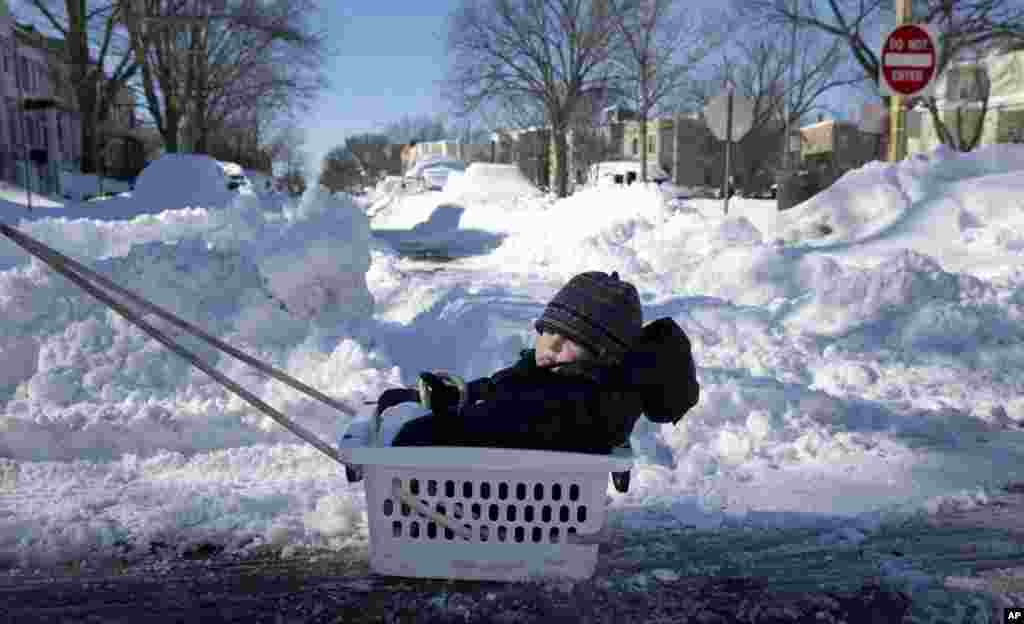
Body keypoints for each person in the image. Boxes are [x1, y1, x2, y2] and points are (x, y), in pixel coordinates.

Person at [389, 271, 700, 455]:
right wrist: (457, 395)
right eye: (548, 330)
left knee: (416, 437)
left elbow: (503, 421)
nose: (550, 343)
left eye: (570, 338)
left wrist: (434, 426)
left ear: (601, 356)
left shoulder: (588, 402)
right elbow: (500, 390)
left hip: (517, 507)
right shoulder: (553, 375)